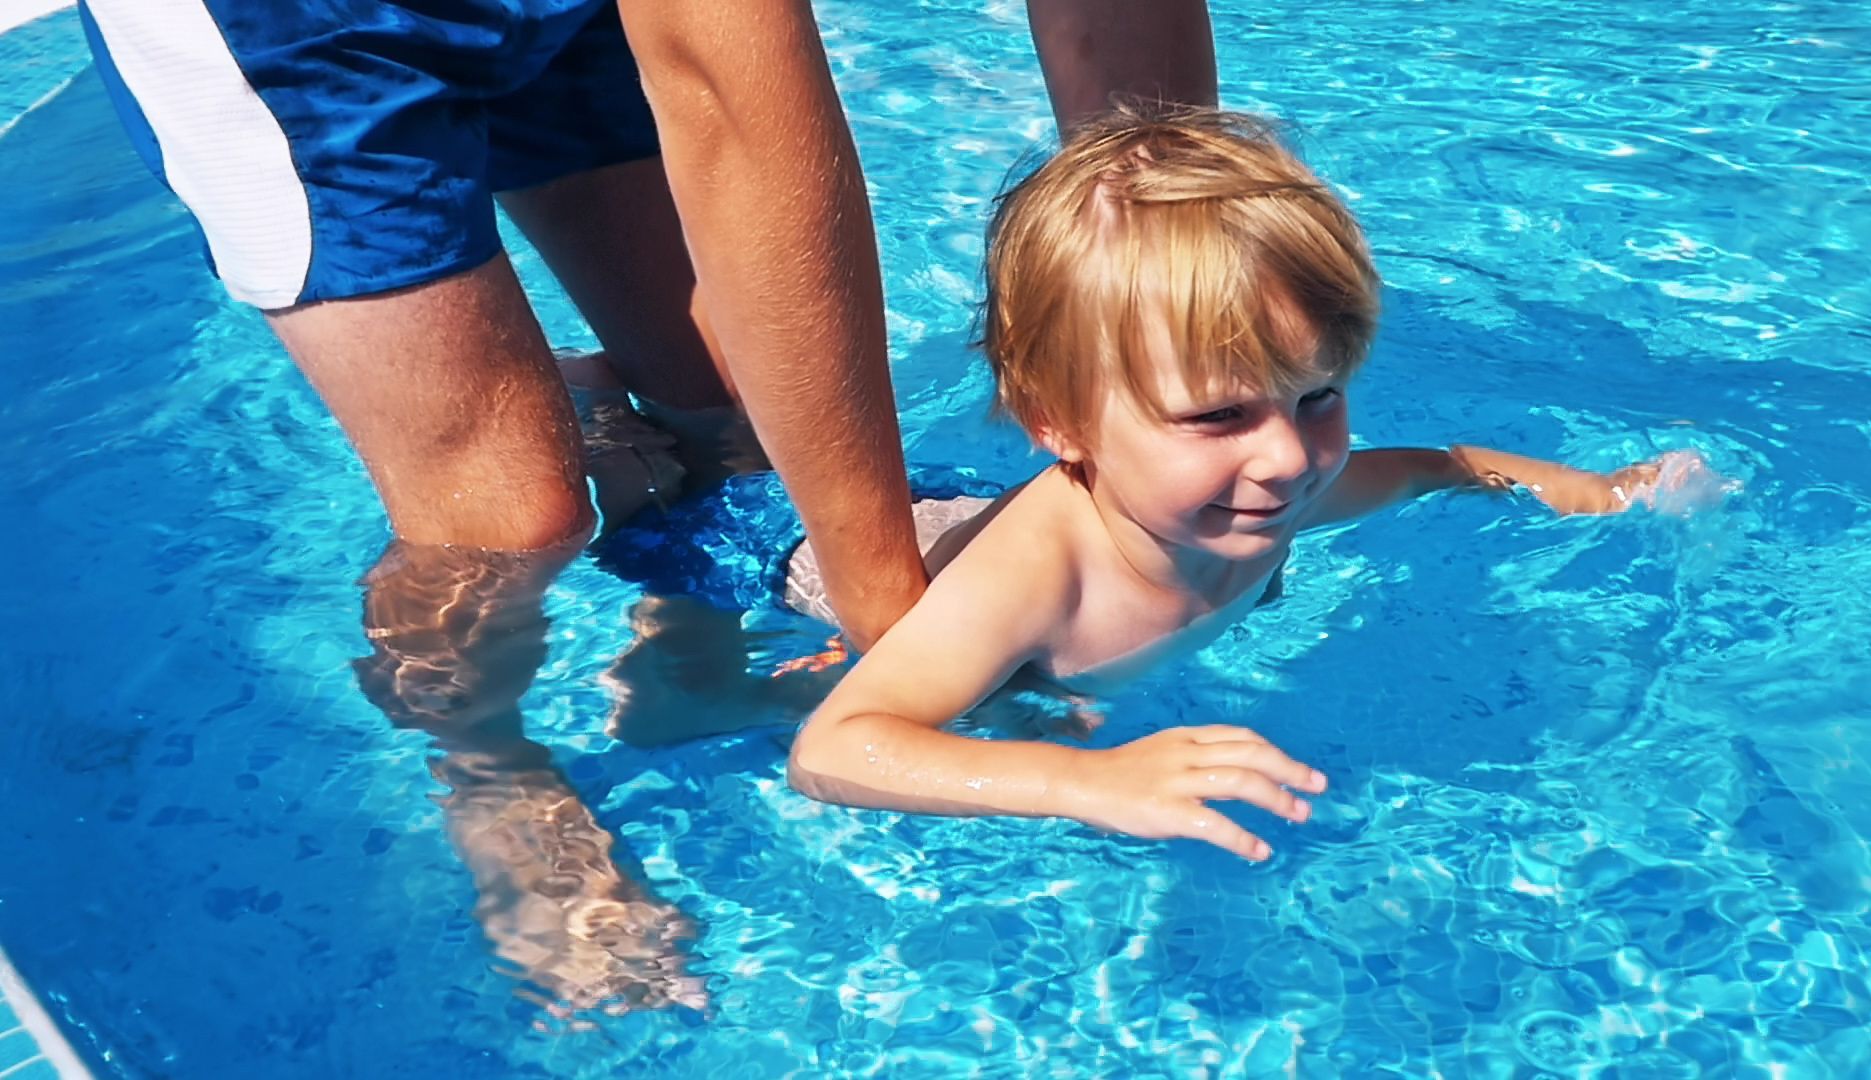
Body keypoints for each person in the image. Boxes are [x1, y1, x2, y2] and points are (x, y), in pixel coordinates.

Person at [75, 0, 1223, 1017]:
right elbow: (737, 107)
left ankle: (679, 653)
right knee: (506, 525)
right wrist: (890, 614)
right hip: (300, 26)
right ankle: (488, 767)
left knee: (739, 418)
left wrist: (1166, 324)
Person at [783, 105, 1725, 861]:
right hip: (777, 569)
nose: (1288, 456)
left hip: (974, 521)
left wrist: (1607, 491)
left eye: (1318, 395)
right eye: (1219, 415)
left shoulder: (1262, 493)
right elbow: (832, 750)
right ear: (1057, 424)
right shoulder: (1036, 580)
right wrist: (1086, 783)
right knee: (696, 690)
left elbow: (1444, 467)